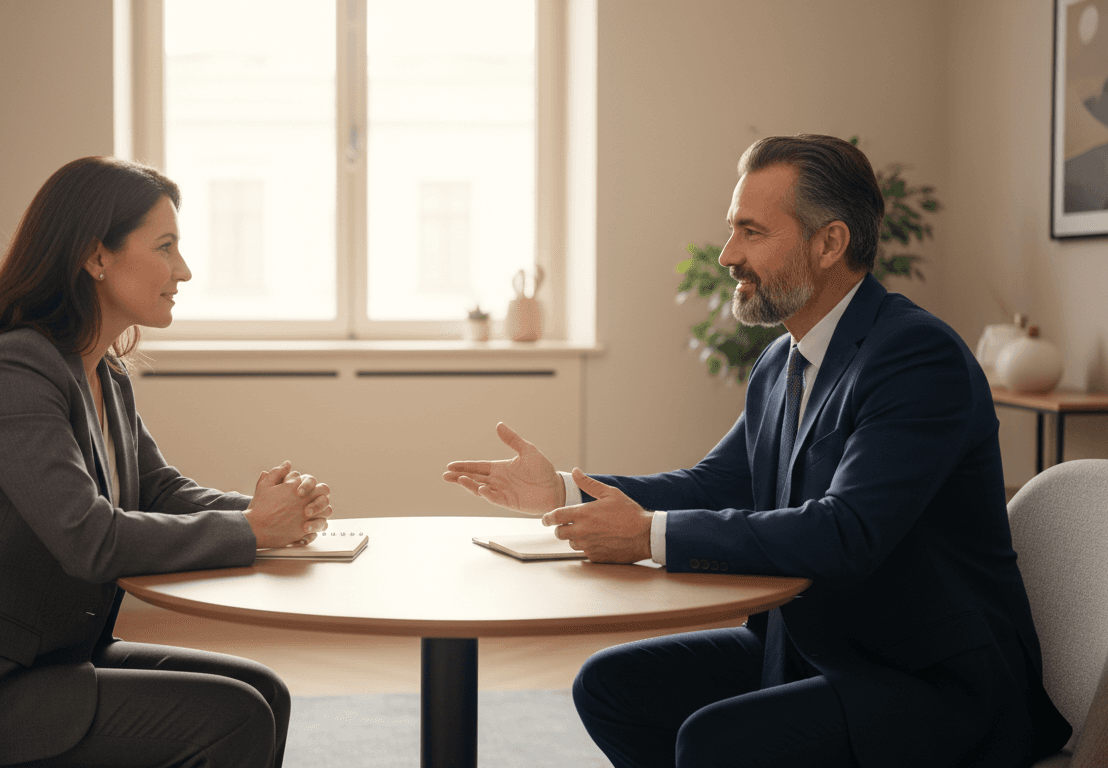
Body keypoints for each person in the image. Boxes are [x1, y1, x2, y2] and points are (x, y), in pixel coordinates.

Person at [444, 135, 1071, 767]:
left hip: (927, 683)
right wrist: (560, 491)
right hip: (813, 651)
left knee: (718, 742)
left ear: (829, 244)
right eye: (730, 230)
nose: (727, 255)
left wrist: (647, 535)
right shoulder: (781, 363)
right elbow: (716, 483)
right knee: (613, 688)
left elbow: (847, 531)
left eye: (752, 232)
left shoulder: (916, 357)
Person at [0, 156, 331, 768]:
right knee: (234, 717)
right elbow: (90, 539)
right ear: (96, 256)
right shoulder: (14, 370)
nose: (183, 271)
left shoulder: (103, 371)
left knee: (263, 692)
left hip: (45, 657)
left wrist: (266, 512)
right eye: (166, 247)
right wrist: (252, 531)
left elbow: (156, 490)